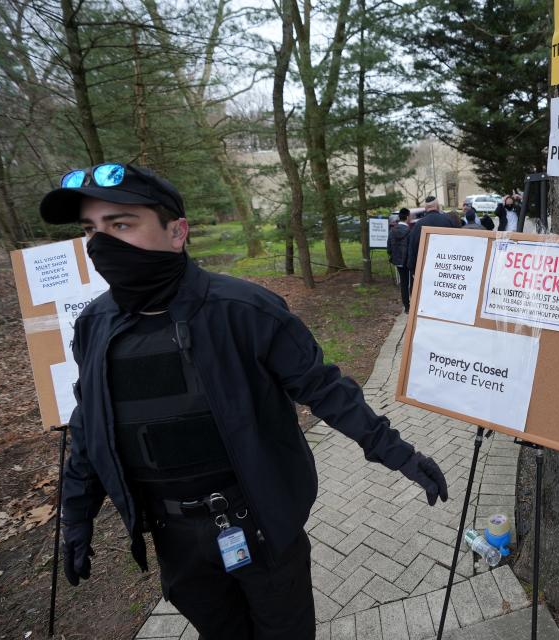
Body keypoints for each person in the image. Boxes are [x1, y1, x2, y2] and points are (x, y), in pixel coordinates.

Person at [41, 163, 448, 640]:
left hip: (258, 526)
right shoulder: (95, 325)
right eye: (91, 230)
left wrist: (399, 454)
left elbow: (324, 388)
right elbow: (90, 423)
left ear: (177, 232)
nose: (101, 244)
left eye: (121, 224)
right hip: (175, 541)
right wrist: (76, 514)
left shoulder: (244, 311)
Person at [406, 196, 460, 276]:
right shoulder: (448, 221)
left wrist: (413, 269)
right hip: (447, 269)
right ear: (438, 205)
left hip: (426, 270)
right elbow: (457, 244)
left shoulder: (418, 225)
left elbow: (413, 248)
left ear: (425, 208)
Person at [387, 208, 412, 313]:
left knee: (403, 284)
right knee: (412, 282)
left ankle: (407, 307)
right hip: (408, 261)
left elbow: (388, 248)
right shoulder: (410, 231)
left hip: (398, 262)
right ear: (407, 217)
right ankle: (413, 304)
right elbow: (412, 248)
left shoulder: (392, 231)